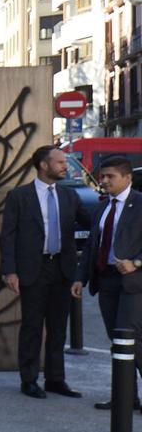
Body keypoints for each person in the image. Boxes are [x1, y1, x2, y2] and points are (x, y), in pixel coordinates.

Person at [1, 144, 87, 398]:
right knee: (32, 326)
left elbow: (91, 222)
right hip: (32, 268)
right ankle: (28, 379)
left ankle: (55, 379)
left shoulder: (70, 196)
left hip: (62, 267)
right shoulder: (19, 196)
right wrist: (10, 270)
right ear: (43, 165)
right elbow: (8, 236)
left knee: (59, 328)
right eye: (60, 162)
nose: (65, 166)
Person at [83, 155, 142, 410]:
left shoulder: (140, 204)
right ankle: (125, 397)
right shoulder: (103, 206)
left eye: (110, 177)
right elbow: (91, 246)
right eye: (102, 176)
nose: (104, 181)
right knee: (116, 340)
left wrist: (136, 263)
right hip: (106, 280)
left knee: (131, 339)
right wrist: (79, 278)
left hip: (132, 281)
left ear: (127, 178)